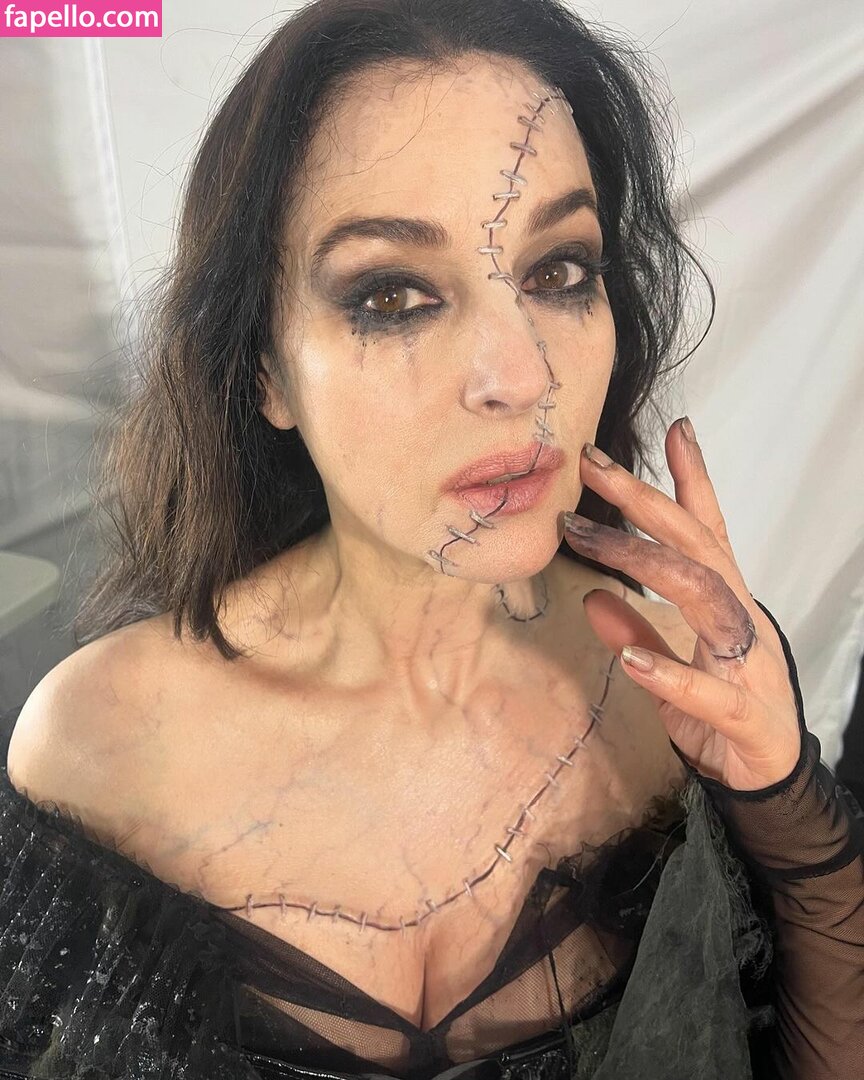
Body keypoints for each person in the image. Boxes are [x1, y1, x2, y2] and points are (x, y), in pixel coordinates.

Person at [0, 1, 861, 1078]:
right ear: (265, 369)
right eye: (394, 295)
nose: (522, 377)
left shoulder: (682, 688)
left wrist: (783, 802)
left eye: (560, 272)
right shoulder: (98, 746)